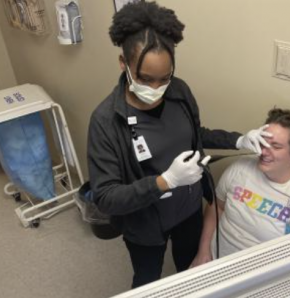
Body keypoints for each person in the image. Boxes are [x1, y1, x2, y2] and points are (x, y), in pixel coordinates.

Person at [87, 1, 271, 289]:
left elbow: (195, 134)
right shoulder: (105, 121)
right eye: (145, 79)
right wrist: (164, 181)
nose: (157, 89)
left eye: (164, 78)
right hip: (145, 226)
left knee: (190, 272)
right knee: (148, 281)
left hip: (188, 212)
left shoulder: (179, 92)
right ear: (123, 64)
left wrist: (238, 139)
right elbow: (106, 197)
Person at [190, 108, 290, 266]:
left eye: (276, 146)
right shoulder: (239, 169)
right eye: (263, 142)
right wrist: (203, 250)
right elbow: (216, 207)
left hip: (263, 276)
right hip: (214, 260)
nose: (264, 151)